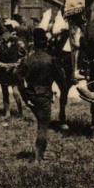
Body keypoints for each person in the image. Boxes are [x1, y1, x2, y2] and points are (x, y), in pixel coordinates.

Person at [17, 28, 66, 161]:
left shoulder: (27, 60)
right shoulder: (51, 60)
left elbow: (18, 79)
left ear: (34, 43)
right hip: (44, 96)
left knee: (40, 123)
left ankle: (39, 153)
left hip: (31, 96)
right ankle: (39, 157)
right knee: (43, 126)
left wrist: (25, 97)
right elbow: (61, 81)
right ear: (45, 43)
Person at [0, 19, 25, 121]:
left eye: (7, 32)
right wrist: (3, 65)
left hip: (13, 71)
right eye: (4, 32)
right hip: (3, 71)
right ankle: (7, 112)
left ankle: (20, 112)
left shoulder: (17, 44)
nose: (5, 35)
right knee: (5, 92)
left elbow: (23, 57)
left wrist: (15, 65)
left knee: (16, 92)